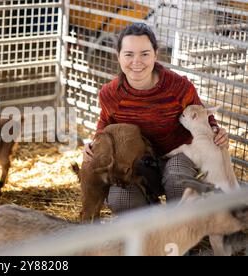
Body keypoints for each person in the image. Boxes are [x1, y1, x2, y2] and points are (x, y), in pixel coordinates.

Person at [83, 23, 229, 213]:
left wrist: (216, 131)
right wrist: (94, 143)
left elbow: (202, 116)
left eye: (144, 53)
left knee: (178, 180)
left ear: (155, 54)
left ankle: (180, 231)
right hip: (137, 162)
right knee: (121, 199)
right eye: (128, 54)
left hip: (178, 154)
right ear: (118, 56)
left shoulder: (178, 87)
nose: (137, 61)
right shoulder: (110, 94)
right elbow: (105, 124)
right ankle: (150, 219)